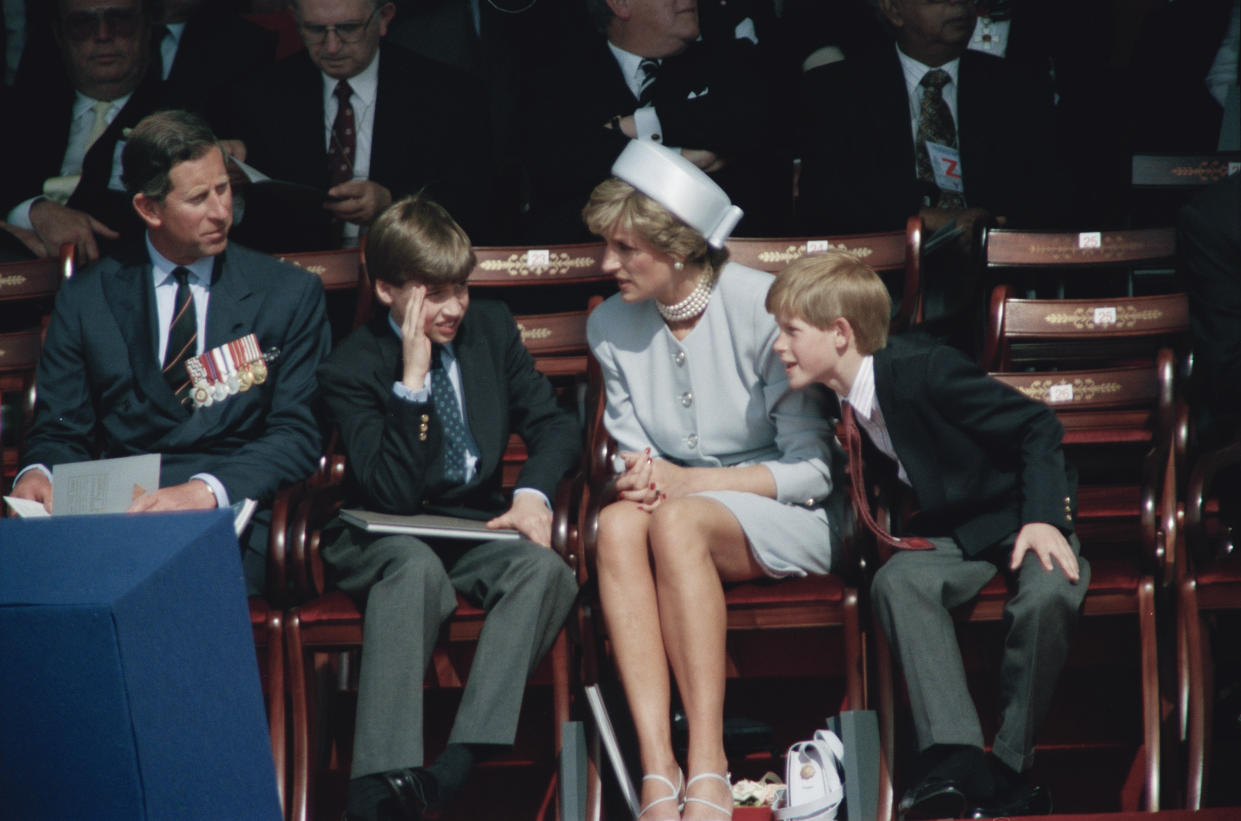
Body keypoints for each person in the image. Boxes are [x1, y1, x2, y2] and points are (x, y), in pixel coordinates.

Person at [765, 251, 1089, 818]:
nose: (778, 345)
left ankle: (1011, 767)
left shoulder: (924, 367)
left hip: (1020, 515)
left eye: (791, 330)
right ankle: (956, 760)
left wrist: (1045, 518)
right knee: (899, 583)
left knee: (1050, 593)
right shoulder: (838, 396)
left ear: (841, 333)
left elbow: (1038, 424)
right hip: (956, 530)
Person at [584, 140, 838, 821]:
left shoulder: (762, 305)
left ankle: (707, 762)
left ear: (677, 247)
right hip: (677, 511)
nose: (607, 263)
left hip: (787, 512)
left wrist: (690, 485)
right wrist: (632, 478)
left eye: (624, 248)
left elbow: (813, 470)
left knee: (677, 519)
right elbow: (631, 452)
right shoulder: (608, 323)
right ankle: (656, 769)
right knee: (614, 523)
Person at [316, 195, 580, 821]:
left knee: (547, 571)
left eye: (460, 287)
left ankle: (451, 772)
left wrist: (531, 495)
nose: (455, 306)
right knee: (414, 570)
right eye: (435, 293)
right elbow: (391, 495)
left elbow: (555, 426)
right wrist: (413, 381)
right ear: (388, 290)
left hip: (469, 524)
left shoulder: (489, 328)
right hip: (381, 530)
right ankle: (376, 793)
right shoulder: (352, 366)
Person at [9, 109, 331, 595]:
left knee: (183, 584)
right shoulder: (89, 298)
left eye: (224, 189)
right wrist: (39, 471)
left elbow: (297, 432)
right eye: (199, 198)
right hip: (122, 513)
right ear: (149, 209)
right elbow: (61, 428)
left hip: (231, 509)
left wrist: (206, 491)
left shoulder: (285, 294)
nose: (221, 211)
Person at [227, 0, 493, 252]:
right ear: (295, 20)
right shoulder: (258, 97)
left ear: (384, 18)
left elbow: (475, 198)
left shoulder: (448, 94)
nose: (331, 47)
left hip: (411, 267)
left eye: (349, 28)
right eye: (316, 29)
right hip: (298, 272)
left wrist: (393, 204)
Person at [524, 0, 788, 243]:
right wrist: (678, 160)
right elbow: (560, 165)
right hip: (598, 269)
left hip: (720, 261)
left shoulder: (729, 59)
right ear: (621, 4)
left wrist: (632, 126)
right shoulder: (560, 80)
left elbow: (748, 121)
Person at [796, 0, 1062, 237]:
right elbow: (825, 200)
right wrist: (922, 217)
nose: (958, 4)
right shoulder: (837, 89)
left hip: (991, 271)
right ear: (893, 9)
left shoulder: (1019, 87)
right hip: (880, 274)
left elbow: (1048, 195)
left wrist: (991, 224)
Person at [1, 0, 162, 263]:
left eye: (120, 19)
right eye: (83, 23)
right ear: (59, 34)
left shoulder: (181, 111)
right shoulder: (19, 114)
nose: (103, 35)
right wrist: (33, 212)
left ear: (146, 27)